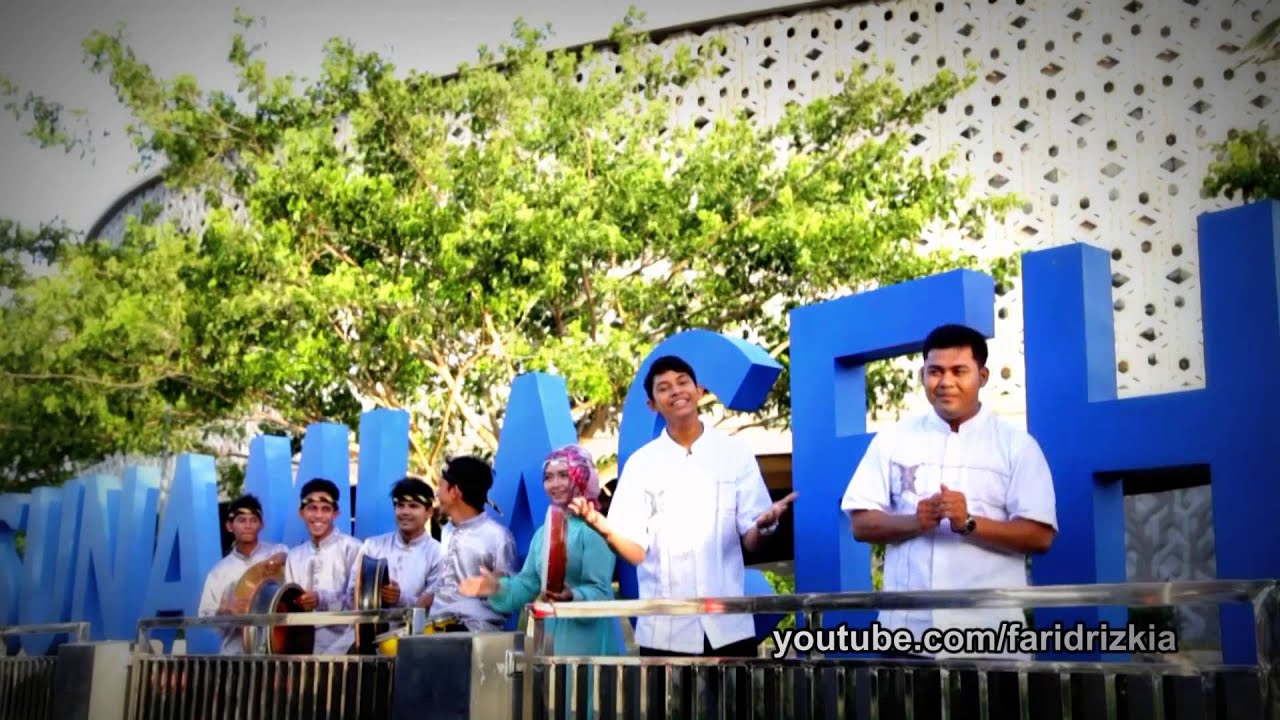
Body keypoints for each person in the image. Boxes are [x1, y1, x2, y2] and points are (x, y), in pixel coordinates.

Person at [841, 323, 1058, 659]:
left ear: (982, 376)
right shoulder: (893, 439)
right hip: (906, 636)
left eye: (959, 371)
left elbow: (1040, 536)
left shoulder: (1017, 445)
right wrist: (916, 522)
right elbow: (861, 524)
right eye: (935, 371)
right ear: (922, 375)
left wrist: (969, 522)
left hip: (989, 638)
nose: (946, 382)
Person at [570, 355, 797, 657]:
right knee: (671, 707)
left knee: (732, 706)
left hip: (729, 626)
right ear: (652, 404)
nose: (675, 391)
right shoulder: (641, 464)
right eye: (663, 387)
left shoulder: (735, 452)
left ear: (699, 390)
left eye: (682, 382)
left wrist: (765, 525)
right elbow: (636, 551)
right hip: (666, 630)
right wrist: (604, 528)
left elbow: (751, 540)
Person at [459, 445, 625, 655]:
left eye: (563, 475)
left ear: (582, 476)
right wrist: (496, 587)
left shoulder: (594, 529)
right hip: (551, 638)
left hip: (588, 642)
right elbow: (528, 584)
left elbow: (601, 592)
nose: (554, 484)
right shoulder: (543, 533)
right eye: (548, 477)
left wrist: (571, 595)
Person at [428, 456, 518, 632]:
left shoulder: (499, 538)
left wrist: (494, 584)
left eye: (441, 486)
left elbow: (511, 594)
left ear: (455, 491)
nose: (437, 493)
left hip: (477, 635)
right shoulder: (446, 531)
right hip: (437, 628)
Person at [197, 494, 289, 654]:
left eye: (253, 520)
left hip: (277, 649)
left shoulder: (278, 552)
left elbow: (296, 584)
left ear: (261, 525)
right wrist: (223, 613)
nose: (248, 525)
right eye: (241, 520)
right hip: (235, 653)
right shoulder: (219, 572)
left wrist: (285, 559)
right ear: (229, 526)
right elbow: (205, 615)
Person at [283, 478, 363, 655]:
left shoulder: (354, 548)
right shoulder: (294, 556)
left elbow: (358, 602)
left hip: (345, 644)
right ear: (301, 513)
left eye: (325, 509)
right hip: (302, 646)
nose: (318, 516)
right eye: (312, 508)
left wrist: (321, 598)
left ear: (336, 514)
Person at [347, 477, 445, 612]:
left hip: (413, 632)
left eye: (413, 506)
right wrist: (373, 593)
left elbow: (435, 604)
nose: (405, 512)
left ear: (429, 512)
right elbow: (352, 592)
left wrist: (400, 598)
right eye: (400, 505)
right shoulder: (372, 546)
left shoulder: (438, 553)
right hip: (369, 630)